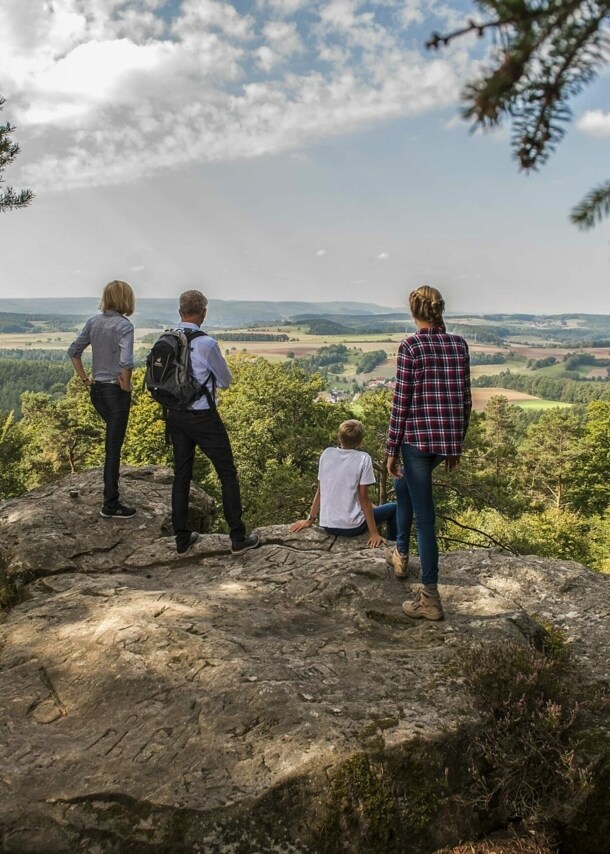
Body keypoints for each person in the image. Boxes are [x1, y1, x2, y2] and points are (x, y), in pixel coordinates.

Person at [386, 285, 471, 621]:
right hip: (444, 440)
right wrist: (456, 444)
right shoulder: (458, 345)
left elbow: (401, 402)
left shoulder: (411, 346)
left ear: (413, 312)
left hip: (417, 442)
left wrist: (391, 449)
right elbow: (465, 399)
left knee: (425, 519)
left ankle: (430, 597)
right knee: (403, 486)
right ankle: (400, 555)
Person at [166, 290, 260, 556]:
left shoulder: (167, 338)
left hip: (175, 414)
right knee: (227, 473)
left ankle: (182, 540)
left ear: (180, 311)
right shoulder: (206, 344)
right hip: (203, 415)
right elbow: (225, 381)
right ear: (203, 313)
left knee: (182, 475)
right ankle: (237, 537)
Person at [68, 280, 136, 518]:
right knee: (113, 448)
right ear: (126, 299)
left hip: (96, 391)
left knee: (111, 445)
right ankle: (110, 504)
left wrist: (85, 380)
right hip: (115, 392)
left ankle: (111, 498)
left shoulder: (93, 322)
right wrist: (126, 385)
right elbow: (126, 361)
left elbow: (73, 351)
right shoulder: (124, 325)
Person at [290, 419, 397, 547]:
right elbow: (363, 498)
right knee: (394, 508)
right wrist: (374, 533)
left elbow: (320, 491)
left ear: (339, 437)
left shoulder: (327, 453)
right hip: (352, 528)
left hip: (328, 526)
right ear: (360, 442)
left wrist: (310, 520)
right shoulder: (363, 458)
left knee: (376, 508)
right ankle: (394, 545)